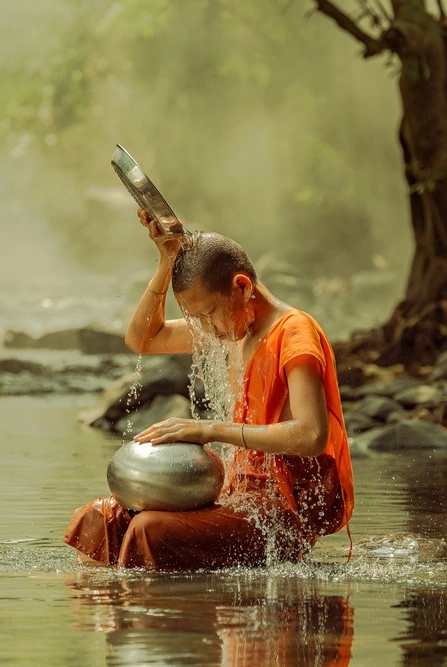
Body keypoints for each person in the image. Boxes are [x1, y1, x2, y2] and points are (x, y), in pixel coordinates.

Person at [63, 209, 354, 569]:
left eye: (208, 313)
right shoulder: (231, 327)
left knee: (148, 529)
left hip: (280, 517)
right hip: (236, 498)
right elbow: (143, 338)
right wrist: (166, 261)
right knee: (99, 518)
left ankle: (137, 601)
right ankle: (102, 603)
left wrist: (208, 429)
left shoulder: (294, 332)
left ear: (242, 287)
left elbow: (311, 435)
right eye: (195, 319)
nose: (205, 329)